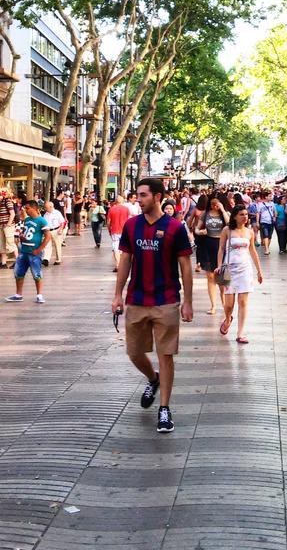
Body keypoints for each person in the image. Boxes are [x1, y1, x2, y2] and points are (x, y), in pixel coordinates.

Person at [112, 178, 193, 433]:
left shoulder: (175, 227)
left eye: (144, 195)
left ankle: (164, 409)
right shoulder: (131, 226)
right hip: (136, 299)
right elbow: (125, 259)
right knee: (134, 352)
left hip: (166, 300)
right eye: (138, 195)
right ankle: (152, 378)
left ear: (158, 197)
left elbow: (185, 266)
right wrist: (117, 295)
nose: (139, 199)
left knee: (165, 353)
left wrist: (187, 301)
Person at [216, 203, 262, 344]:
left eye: (246, 214)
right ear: (235, 216)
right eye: (241, 214)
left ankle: (240, 332)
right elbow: (221, 249)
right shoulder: (226, 230)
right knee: (228, 304)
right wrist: (219, 266)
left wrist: (259, 271)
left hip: (245, 269)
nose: (245, 217)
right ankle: (228, 318)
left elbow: (253, 251)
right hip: (228, 270)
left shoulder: (249, 232)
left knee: (243, 302)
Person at [5, 200, 50, 304]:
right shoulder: (27, 220)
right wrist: (22, 237)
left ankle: (39, 295)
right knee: (18, 272)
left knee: (36, 273)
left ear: (34, 208)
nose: (26, 210)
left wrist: (39, 249)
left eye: (28, 208)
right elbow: (26, 232)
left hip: (34, 252)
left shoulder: (42, 221)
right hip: (24, 250)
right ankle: (18, 294)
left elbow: (48, 237)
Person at [194, 192, 230, 315]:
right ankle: (213, 305)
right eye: (213, 203)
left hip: (221, 245)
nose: (214, 205)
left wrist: (223, 210)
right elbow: (196, 229)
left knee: (222, 278)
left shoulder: (225, 214)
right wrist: (199, 232)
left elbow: (230, 224)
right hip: (208, 244)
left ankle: (225, 304)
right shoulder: (205, 214)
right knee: (210, 277)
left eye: (217, 203)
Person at [107, 194, 130, 272]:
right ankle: (123, 264)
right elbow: (128, 220)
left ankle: (118, 264)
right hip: (124, 231)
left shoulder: (112, 209)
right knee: (123, 248)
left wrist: (109, 230)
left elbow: (108, 222)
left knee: (116, 247)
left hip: (115, 230)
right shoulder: (126, 209)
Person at [42, 201, 67, 266]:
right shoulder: (45, 214)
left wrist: (61, 229)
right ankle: (46, 259)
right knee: (47, 245)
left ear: (51, 207)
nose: (45, 209)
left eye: (46, 207)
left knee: (57, 245)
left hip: (56, 230)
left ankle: (58, 259)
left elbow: (62, 222)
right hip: (48, 231)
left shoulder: (57, 213)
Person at [257, 190, 277, 256]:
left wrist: (275, 217)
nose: (271, 197)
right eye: (270, 196)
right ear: (266, 197)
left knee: (269, 236)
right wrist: (257, 222)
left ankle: (267, 248)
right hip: (263, 221)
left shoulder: (272, 204)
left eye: (271, 196)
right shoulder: (260, 204)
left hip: (271, 222)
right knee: (265, 235)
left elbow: (275, 212)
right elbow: (258, 213)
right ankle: (266, 249)